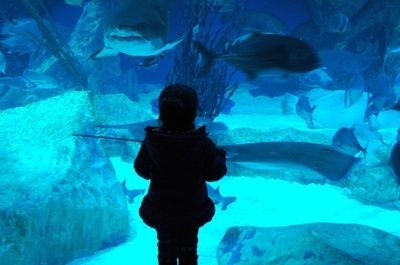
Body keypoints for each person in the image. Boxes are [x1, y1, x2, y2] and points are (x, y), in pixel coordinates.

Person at [134, 83, 227, 265]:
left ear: (162, 112)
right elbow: (214, 173)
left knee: (165, 251)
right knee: (189, 251)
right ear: (194, 112)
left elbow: (141, 170)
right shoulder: (203, 143)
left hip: (161, 208)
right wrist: (220, 157)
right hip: (191, 210)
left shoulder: (152, 141)